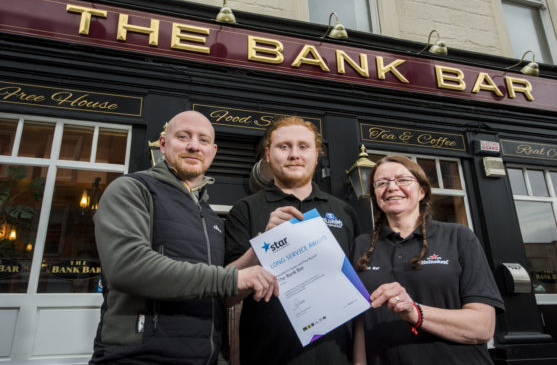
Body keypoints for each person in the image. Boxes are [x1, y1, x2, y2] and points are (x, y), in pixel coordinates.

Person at [90, 111, 278, 365]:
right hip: (139, 358)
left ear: (212, 151)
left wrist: (261, 248)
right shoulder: (132, 190)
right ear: (163, 144)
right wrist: (234, 277)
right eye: (183, 136)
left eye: (203, 140)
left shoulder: (211, 217)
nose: (193, 145)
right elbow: (128, 266)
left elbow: (218, 290)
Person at [225, 116, 360, 365]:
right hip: (268, 355)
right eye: (284, 146)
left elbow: (358, 289)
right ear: (268, 154)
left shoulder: (344, 212)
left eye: (303, 146)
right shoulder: (244, 210)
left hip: (336, 354)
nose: (294, 154)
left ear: (316, 154)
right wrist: (264, 242)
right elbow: (227, 296)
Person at [352, 154, 505, 365]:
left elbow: (482, 327)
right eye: (382, 183)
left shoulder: (459, 237)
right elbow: (360, 321)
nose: (392, 187)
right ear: (376, 195)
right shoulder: (361, 245)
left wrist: (414, 311)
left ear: (422, 191)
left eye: (403, 180)